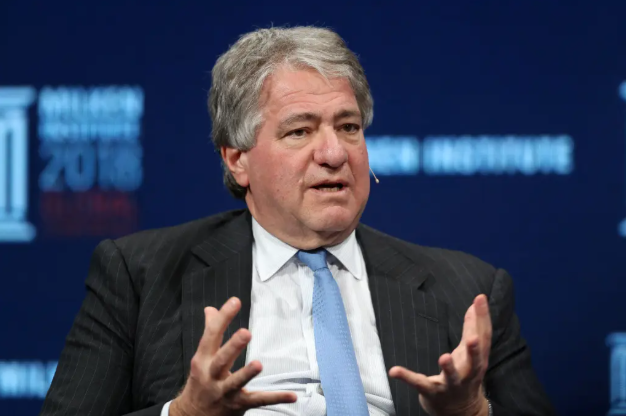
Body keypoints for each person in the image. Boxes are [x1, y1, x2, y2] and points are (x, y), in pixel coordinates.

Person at [39, 26, 555, 416]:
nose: (334, 153)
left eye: (348, 127)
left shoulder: (466, 290)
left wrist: (473, 413)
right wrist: (184, 414)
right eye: (299, 132)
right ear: (237, 159)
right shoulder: (141, 275)